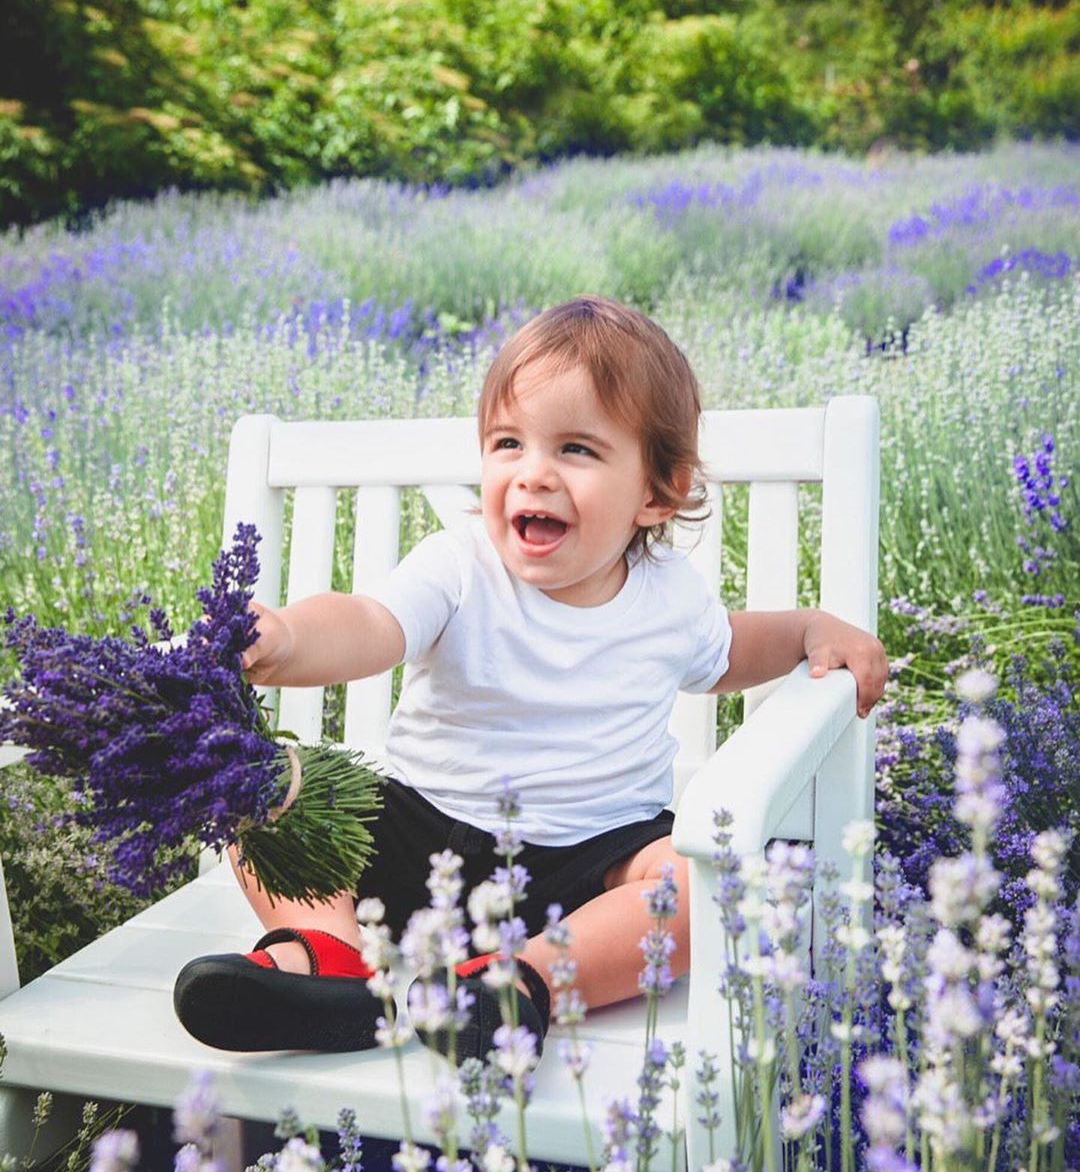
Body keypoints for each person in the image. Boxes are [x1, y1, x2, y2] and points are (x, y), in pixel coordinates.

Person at [174, 296, 888, 1059]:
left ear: (657, 491)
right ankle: (327, 958)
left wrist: (807, 629)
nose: (534, 474)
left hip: (587, 867)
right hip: (416, 837)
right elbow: (371, 622)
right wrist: (287, 636)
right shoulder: (460, 564)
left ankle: (516, 984)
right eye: (508, 443)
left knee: (696, 887)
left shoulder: (671, 597)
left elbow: (727, 654)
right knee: (259, 782)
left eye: (575, 449)